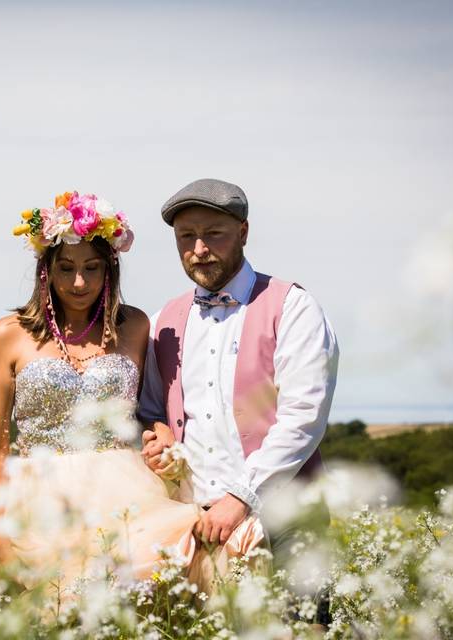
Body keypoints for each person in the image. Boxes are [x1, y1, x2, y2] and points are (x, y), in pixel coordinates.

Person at [0, 190, 265, 595]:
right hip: (39, 499)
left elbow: (151, 409)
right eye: (66, 269)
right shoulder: (8, 334)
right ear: (47, 271)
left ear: (109, 270)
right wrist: (1, 539)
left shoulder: (135, 326)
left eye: (92, 269)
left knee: (208, 552)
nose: (79, 282)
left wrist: (161, 431)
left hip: (126, 491)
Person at [138, 178, 339, 601]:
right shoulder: (163, 321)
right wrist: (157, 440)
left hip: (286, 516)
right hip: (195, 525)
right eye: (186, 236)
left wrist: (241, 498)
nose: (199, 249)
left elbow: (304, 415)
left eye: (213, 234)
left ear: (243, 232)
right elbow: (154, 411)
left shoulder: (292, 306)